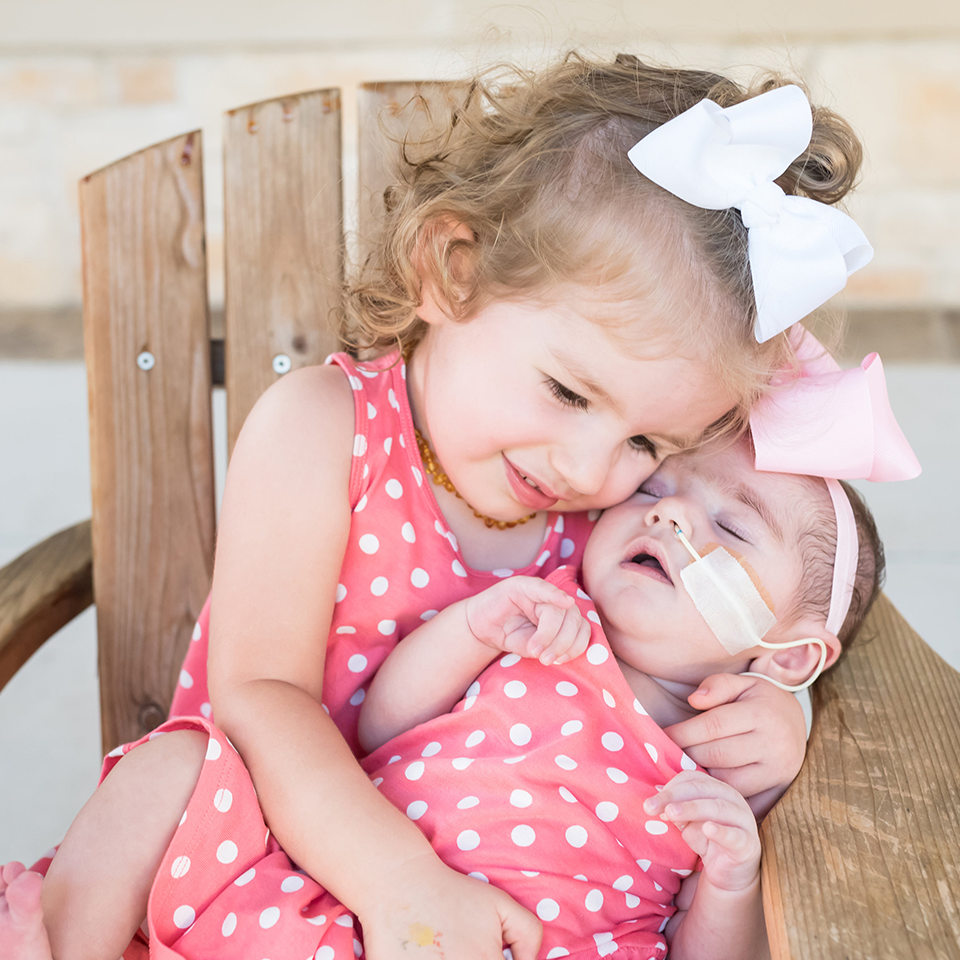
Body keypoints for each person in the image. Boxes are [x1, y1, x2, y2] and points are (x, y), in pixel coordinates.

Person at [1, 54, 876, 960]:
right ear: (453, 271)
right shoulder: (322, 430)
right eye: (570, 393)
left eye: (649, 447)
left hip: (474, 898)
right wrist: (398, 882)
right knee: (167, 771)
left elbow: (750, 597)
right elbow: (260, 699)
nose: (590, 468)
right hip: (267, 839)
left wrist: (780, 705)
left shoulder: (618, 522)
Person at [1, 432, 889, 960]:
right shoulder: (549, 618)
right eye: (656, 486)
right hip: (335, 903)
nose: (669, 515)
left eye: (731, 526)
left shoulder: (734, 755)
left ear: (790, 655)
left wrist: (731, 882)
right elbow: (379, 728)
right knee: (178, 762)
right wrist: (473, 629)